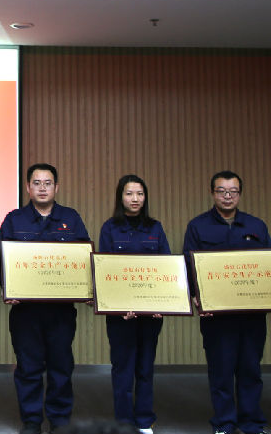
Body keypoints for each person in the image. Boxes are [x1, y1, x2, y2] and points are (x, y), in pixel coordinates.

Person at [0, 163, 90, 434]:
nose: (42, 188)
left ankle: (59, 420)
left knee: (61, 366)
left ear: (56, 187)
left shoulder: (71, 218)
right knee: (28, 366)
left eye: (47, 183)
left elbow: (84, 258)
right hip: (25, 310)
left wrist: (86, 289)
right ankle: (32, 420)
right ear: (28, 187)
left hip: (61, 310)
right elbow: (0, 260)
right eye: (36, 183)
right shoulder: (14, 219)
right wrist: (7, 287)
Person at [182, 171, 271, 434]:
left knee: (251, 370)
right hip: (217, 316)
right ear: (212, 193)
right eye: (221, 191)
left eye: (233, 191)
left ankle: (251, 423)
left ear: (240, 194)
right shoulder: (198, 226)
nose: (227, 196)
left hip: (251, 314)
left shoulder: (257, 226)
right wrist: (196, 296)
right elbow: (188, 265)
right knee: (221, 371)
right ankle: (224, 423)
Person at [98, 175, 170, 434]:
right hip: (121, 315)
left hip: (151, 313)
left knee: (145, 367)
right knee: (122, 369)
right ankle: (124, 422)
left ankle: (144, 420)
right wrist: (119, 305)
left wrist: (164, 303)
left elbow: (167, 268)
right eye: (129, 194)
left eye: (140, 193)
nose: (135, 199)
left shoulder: (155, 228)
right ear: (121, 197)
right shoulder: (110, 228)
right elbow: (105, 270)